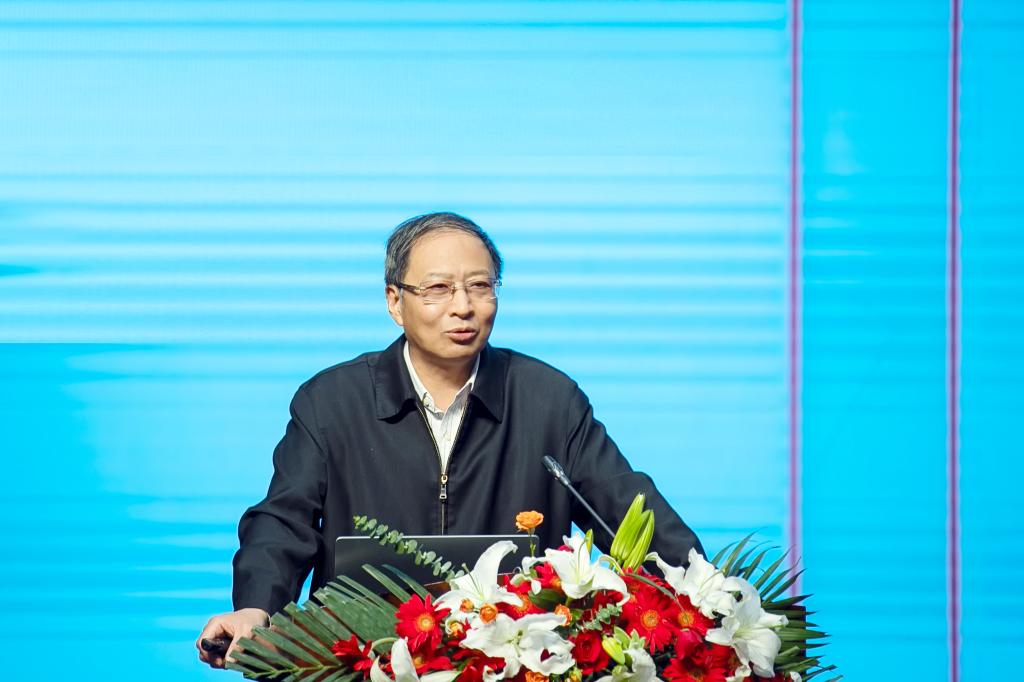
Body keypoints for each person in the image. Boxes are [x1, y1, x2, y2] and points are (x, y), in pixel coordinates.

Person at [197, 212, 703, 669]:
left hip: (516, 666)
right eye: (438, 288)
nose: (463, 306)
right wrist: (255, 607)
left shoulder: (550, 400)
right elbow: (283, 522)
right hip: (362, 665)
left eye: (479, 286)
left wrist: (705, 595)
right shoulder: (330, 402)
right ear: (395, 302)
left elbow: (627, 509)